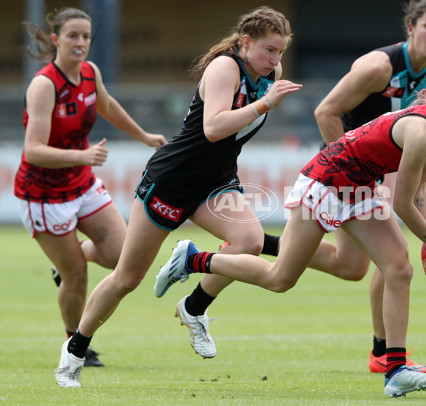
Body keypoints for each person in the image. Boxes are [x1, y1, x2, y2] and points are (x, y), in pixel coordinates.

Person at [158, 60, 426, 397]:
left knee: (398, 268)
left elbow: (418, 192)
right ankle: (193, 259)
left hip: (359, 187)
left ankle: (395, 370)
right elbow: (402, 204)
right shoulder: (424, 132)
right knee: (280, 279)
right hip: (326, 181)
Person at [53, 6, 302, 388]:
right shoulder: (225, 68)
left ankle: (194, 305)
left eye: (281, 52)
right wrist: (266, 103)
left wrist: (266, 96)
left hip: (215, 182)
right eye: (269, 50)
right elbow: (214, 127)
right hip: (170, 181)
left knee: (249, 241)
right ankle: (73, 351)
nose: (275, 60)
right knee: (126, 278)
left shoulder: (271, 76)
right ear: (246, 41)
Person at [14, 7, 166, 368]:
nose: (80, 43)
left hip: (80, 185)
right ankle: (75, 341)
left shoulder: (89, 73)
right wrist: (83, 157)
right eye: (72, 36)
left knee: (123, 258)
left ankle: (70, 256)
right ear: (56, 40)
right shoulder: (44, 85)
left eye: (85, 36)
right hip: (43, 195)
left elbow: (108, 104)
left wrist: (143, 135)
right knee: (76, 276)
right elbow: (33, 150)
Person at [313, 0, 426, 374]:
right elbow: (325, 112)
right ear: (410, 27)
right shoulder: (378, 67)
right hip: (341, 168)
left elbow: (421, 171)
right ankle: (386, 356)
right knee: (394, 260)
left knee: (352, 266)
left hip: (371, 171)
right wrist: (349, 169)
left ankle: (255, 244)